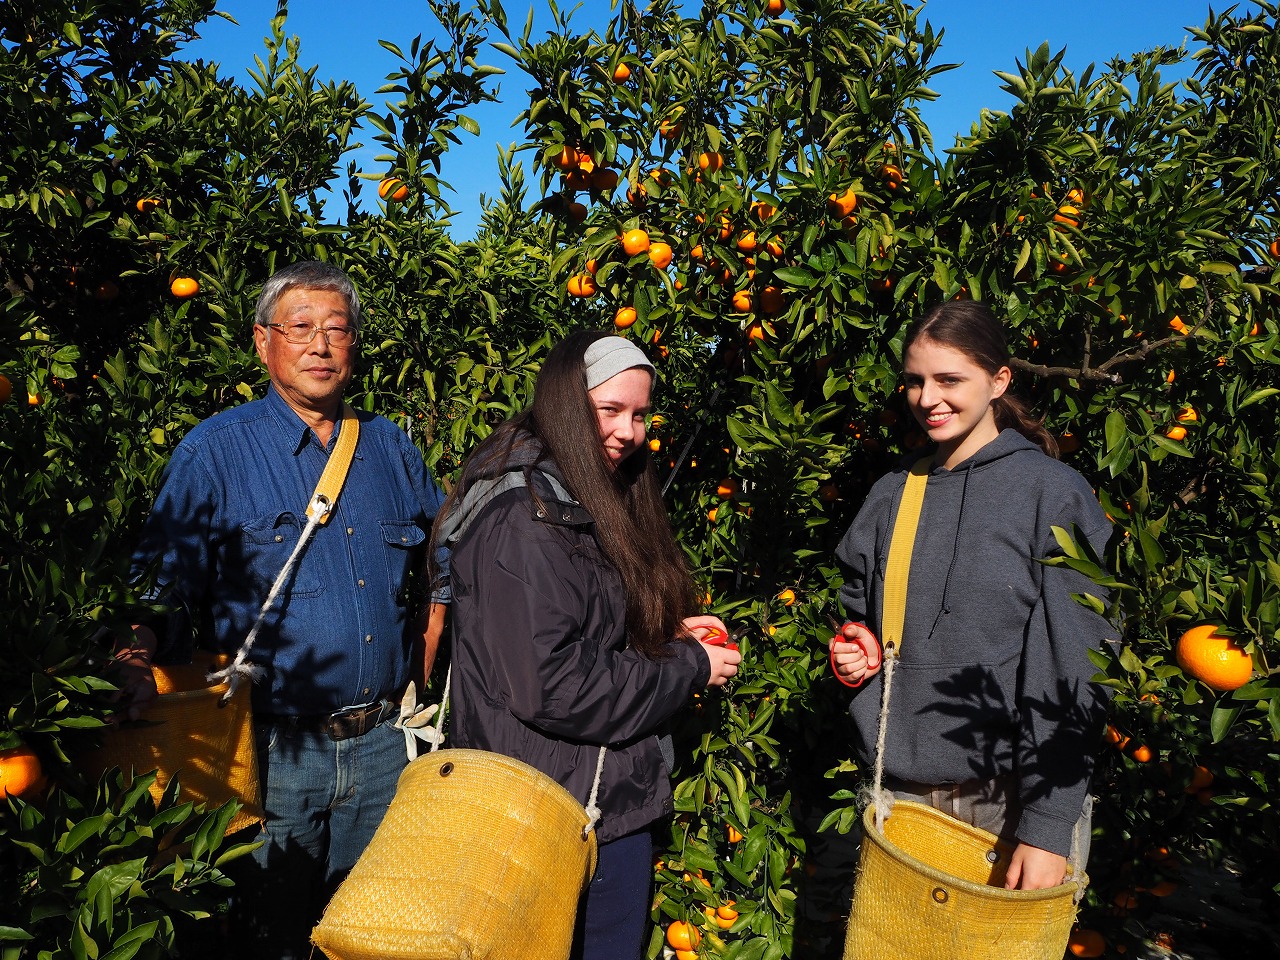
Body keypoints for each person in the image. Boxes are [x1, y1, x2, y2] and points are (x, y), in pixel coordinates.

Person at [118, 261, 448, 958]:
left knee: (371, 933)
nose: (322, 346)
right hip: (273, 748)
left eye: (338, 330)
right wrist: (134, 654)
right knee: (268, 936)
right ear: (263, 342)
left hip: (385, 743)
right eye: (302, 328)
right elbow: (162, 580)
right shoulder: (217, 451)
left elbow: (450, 557)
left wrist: (435, 633)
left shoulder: (388, 446)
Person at [432, 330, 740, 960]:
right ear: (569, 405)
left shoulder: (580, 494)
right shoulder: (525, 519)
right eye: (610, 410)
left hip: (595, 799)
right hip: (551, 810)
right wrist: (686, 668)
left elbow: (580, 627)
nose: (629, 432)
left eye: (641, 414)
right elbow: (556, 685)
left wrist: (663, 635)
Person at [829, 300, 1113, 890]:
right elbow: (861, 613)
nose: (927, 398)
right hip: (899, 793)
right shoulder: (893, 495)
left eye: (948, 379)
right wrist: (857, 651)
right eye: (915, 380)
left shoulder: (1050, 494)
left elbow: (1075, 663)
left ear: (998, 381)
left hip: (1008, 800)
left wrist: (1048, 825)